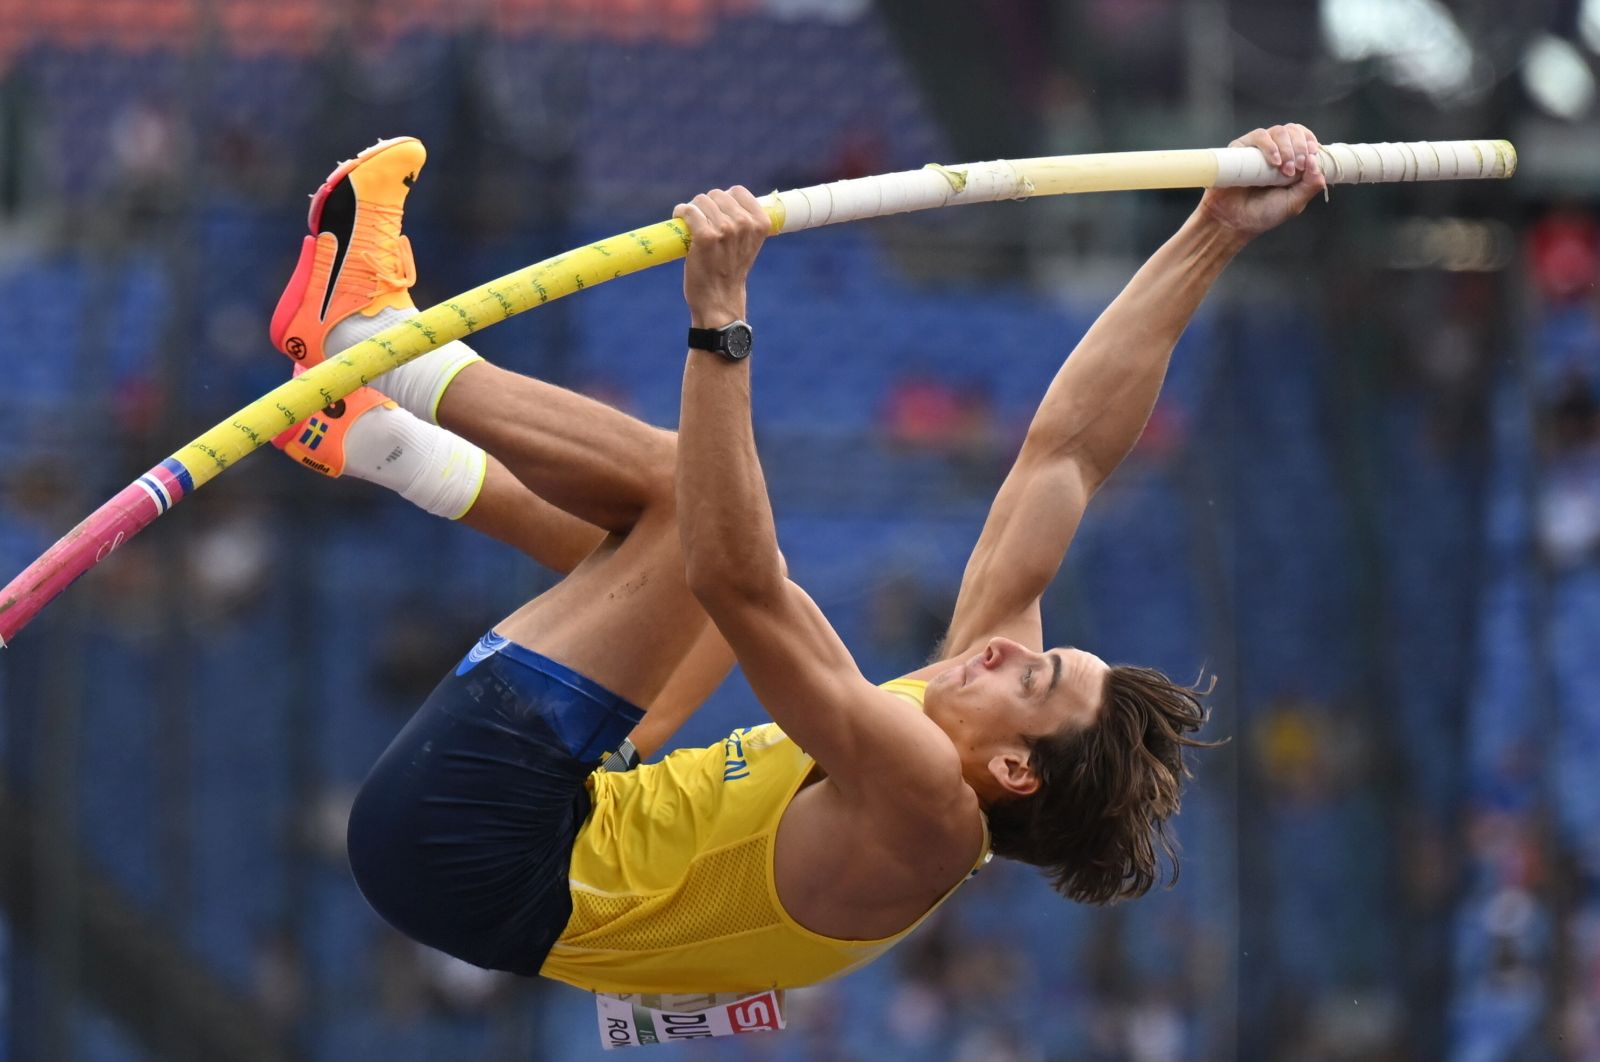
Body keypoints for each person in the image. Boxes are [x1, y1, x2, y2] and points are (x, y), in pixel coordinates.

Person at [266, 125, 1328, 995]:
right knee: (696, 572)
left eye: (1034, 678)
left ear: (1013, 771)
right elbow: (1068, 454)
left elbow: (738, 576)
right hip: (569, 827)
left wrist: (720, 320)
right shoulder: (971, 722)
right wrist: (1209, 234)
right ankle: (374, 439)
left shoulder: (926, 804)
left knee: (694, 513)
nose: (1007, 652)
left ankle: (370, 334)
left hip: (477, 849)